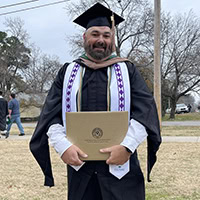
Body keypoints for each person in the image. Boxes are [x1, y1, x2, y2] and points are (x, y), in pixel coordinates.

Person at [30, 3, 161, 200]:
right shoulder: (67, 72)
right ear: (84, 37)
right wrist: (62, 146)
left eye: (106, 35)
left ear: (112, 39)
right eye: (95, 34)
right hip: (81, 171)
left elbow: (145, 112)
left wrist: (127, 147)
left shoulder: (128, 71)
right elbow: (51, 115)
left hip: (121, 171)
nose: (101, 40)